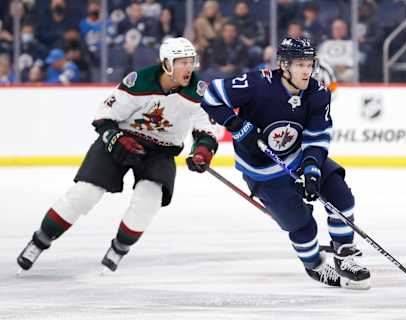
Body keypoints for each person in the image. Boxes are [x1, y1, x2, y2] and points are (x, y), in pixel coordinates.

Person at [17, 37, 218, 273]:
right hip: (122, 141)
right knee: (84, 194)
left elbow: (206, 129)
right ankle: (40, 240)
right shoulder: (138, 82)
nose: (188, 68)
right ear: (166, 64)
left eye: (190, 62)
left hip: (161, 151)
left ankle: (120, 247)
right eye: (181, 62)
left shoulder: (198, 92)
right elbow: (104, 116)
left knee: (149, 198)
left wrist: (202, 151)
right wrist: (117, 138)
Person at [200, 37, 371, 289]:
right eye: (300, 64)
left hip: (299, 155)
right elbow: (211, 95)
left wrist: (311, 169)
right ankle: (314, 265)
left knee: (342, 198)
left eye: (309, 64)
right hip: (262, 169)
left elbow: (317, 136)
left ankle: (345, 254)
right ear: (284, 65)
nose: (306, 70)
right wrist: (236, 126)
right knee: (301, 225)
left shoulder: (319, 92)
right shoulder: (257, 83)